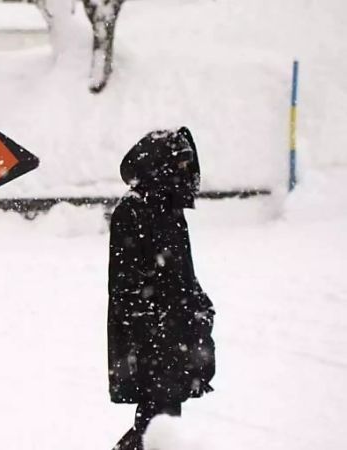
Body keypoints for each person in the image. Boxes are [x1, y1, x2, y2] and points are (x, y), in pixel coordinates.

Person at [107, 127, 216, 450]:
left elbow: (182, 276)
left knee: (160, 422)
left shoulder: (169, 209)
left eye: (187, 164)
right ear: (158, 163)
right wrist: (158, 335)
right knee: (157, 424)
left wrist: (199, 311)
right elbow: (128, 288)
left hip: (173, 336)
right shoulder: (135, 209)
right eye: (178, 164)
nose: (184, 172)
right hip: (154, 342)